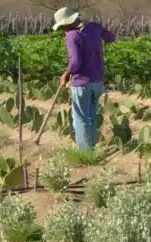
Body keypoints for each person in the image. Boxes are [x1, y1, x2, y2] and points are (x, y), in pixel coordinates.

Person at [52, 7, 116, 151]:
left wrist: (66, 74)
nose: (62, 29)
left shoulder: (72, 35)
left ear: (68, 23)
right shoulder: (94, 27)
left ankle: (84, 152)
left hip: (81, 83)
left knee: (81, 118)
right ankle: (91, 147)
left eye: (62, 26)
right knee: (92, 115)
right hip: (98, 81)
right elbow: (111, 37)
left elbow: (75, 61)